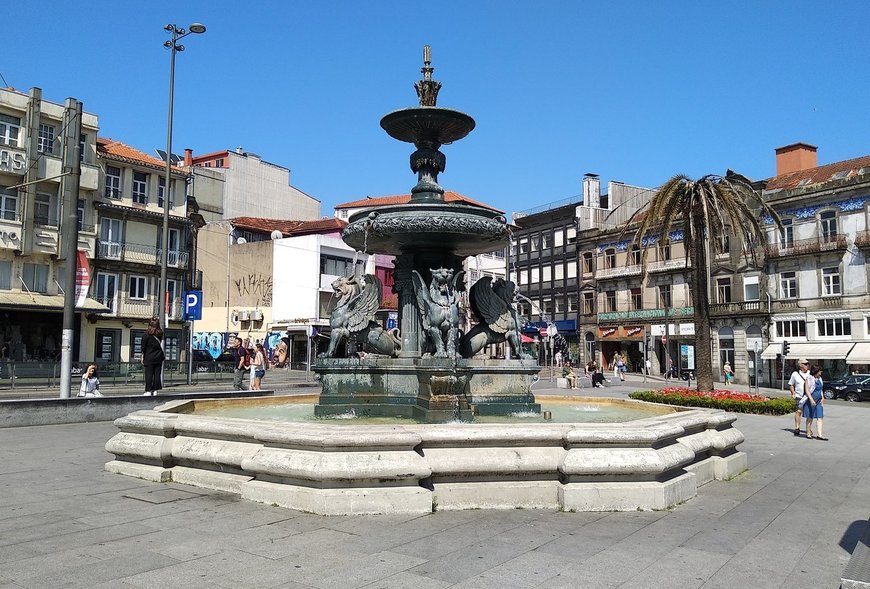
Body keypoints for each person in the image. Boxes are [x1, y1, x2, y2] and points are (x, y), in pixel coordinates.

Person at [803, 364, 828, 440]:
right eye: (820, 371)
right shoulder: (809, 378)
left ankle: (819, 435)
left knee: (820, 417)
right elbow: (807, 390)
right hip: (811, 400)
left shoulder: (820, 379)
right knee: (810, 417)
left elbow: (821, 389)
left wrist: (822, 397)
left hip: (818, 401)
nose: (821, 372)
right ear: (816, 371)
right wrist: (811, 399)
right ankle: (808, 432)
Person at [141, 319, 165, 396]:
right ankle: (155, 390)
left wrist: (142, 357)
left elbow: (143, 347)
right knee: (157, 374)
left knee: (149, 374)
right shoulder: (160, 334)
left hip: (149, 357)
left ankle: (148, 390)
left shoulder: (146, 335)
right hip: (159, 356)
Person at [788, 358, 810, 436]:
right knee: (798, 412)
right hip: (799, 396)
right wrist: (793, 393)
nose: (807, 365)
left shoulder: (810, 373)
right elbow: (791, 384)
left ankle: (808, 429)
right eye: (805, 364)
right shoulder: (795, 374)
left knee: (809, 413)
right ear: (800, 365)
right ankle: (797, 427)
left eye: (808, 364)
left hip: (808, 396)